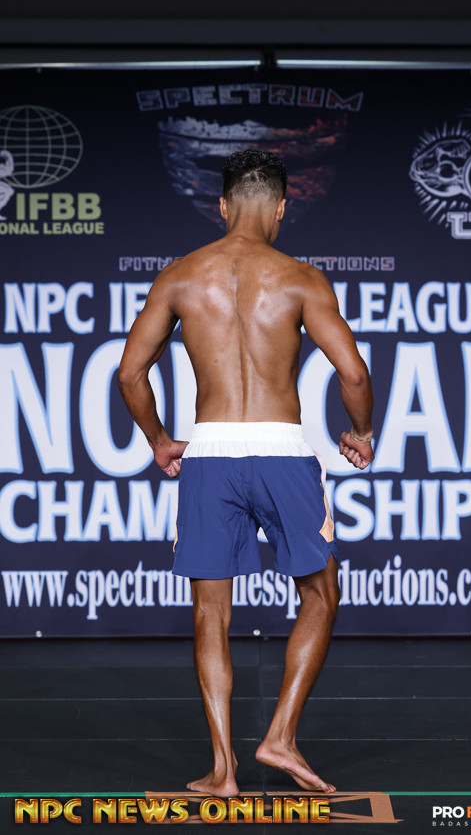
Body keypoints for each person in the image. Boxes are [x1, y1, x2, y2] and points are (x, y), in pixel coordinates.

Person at [118, 148, 374, 798]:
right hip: (282, 451)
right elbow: (352, 373)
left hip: (209, 453)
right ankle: (280, 736)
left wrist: (159, 441)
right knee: (320, 594)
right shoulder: (301, 279)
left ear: (223, 205)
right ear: (282, 209)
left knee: (211, 614)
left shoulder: (180, 275)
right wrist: (361, 434)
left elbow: (129, 373)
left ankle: (224, 771)